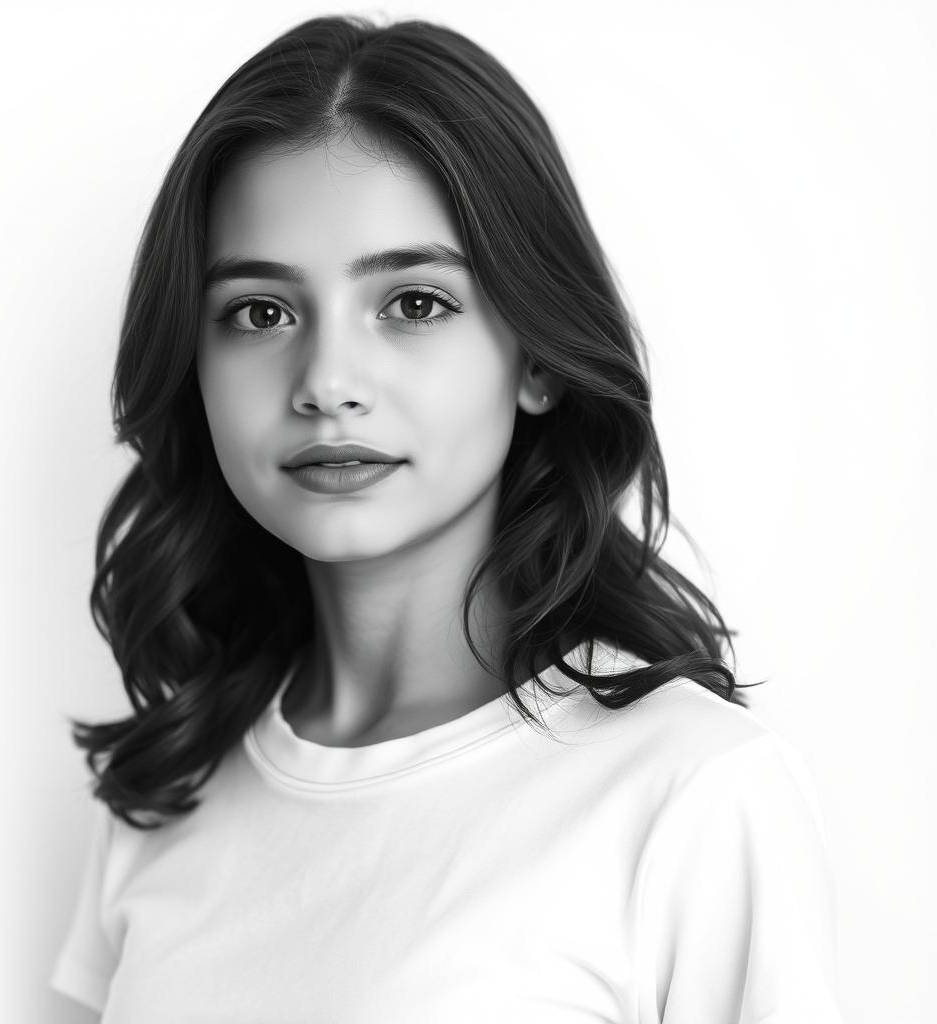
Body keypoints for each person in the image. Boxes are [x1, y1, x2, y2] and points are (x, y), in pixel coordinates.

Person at [50, 15, 844, 1023]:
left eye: (414, 303)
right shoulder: (164, 795)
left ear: (540, 357)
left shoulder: (693, 794)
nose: (328, 382)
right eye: (260, 311)